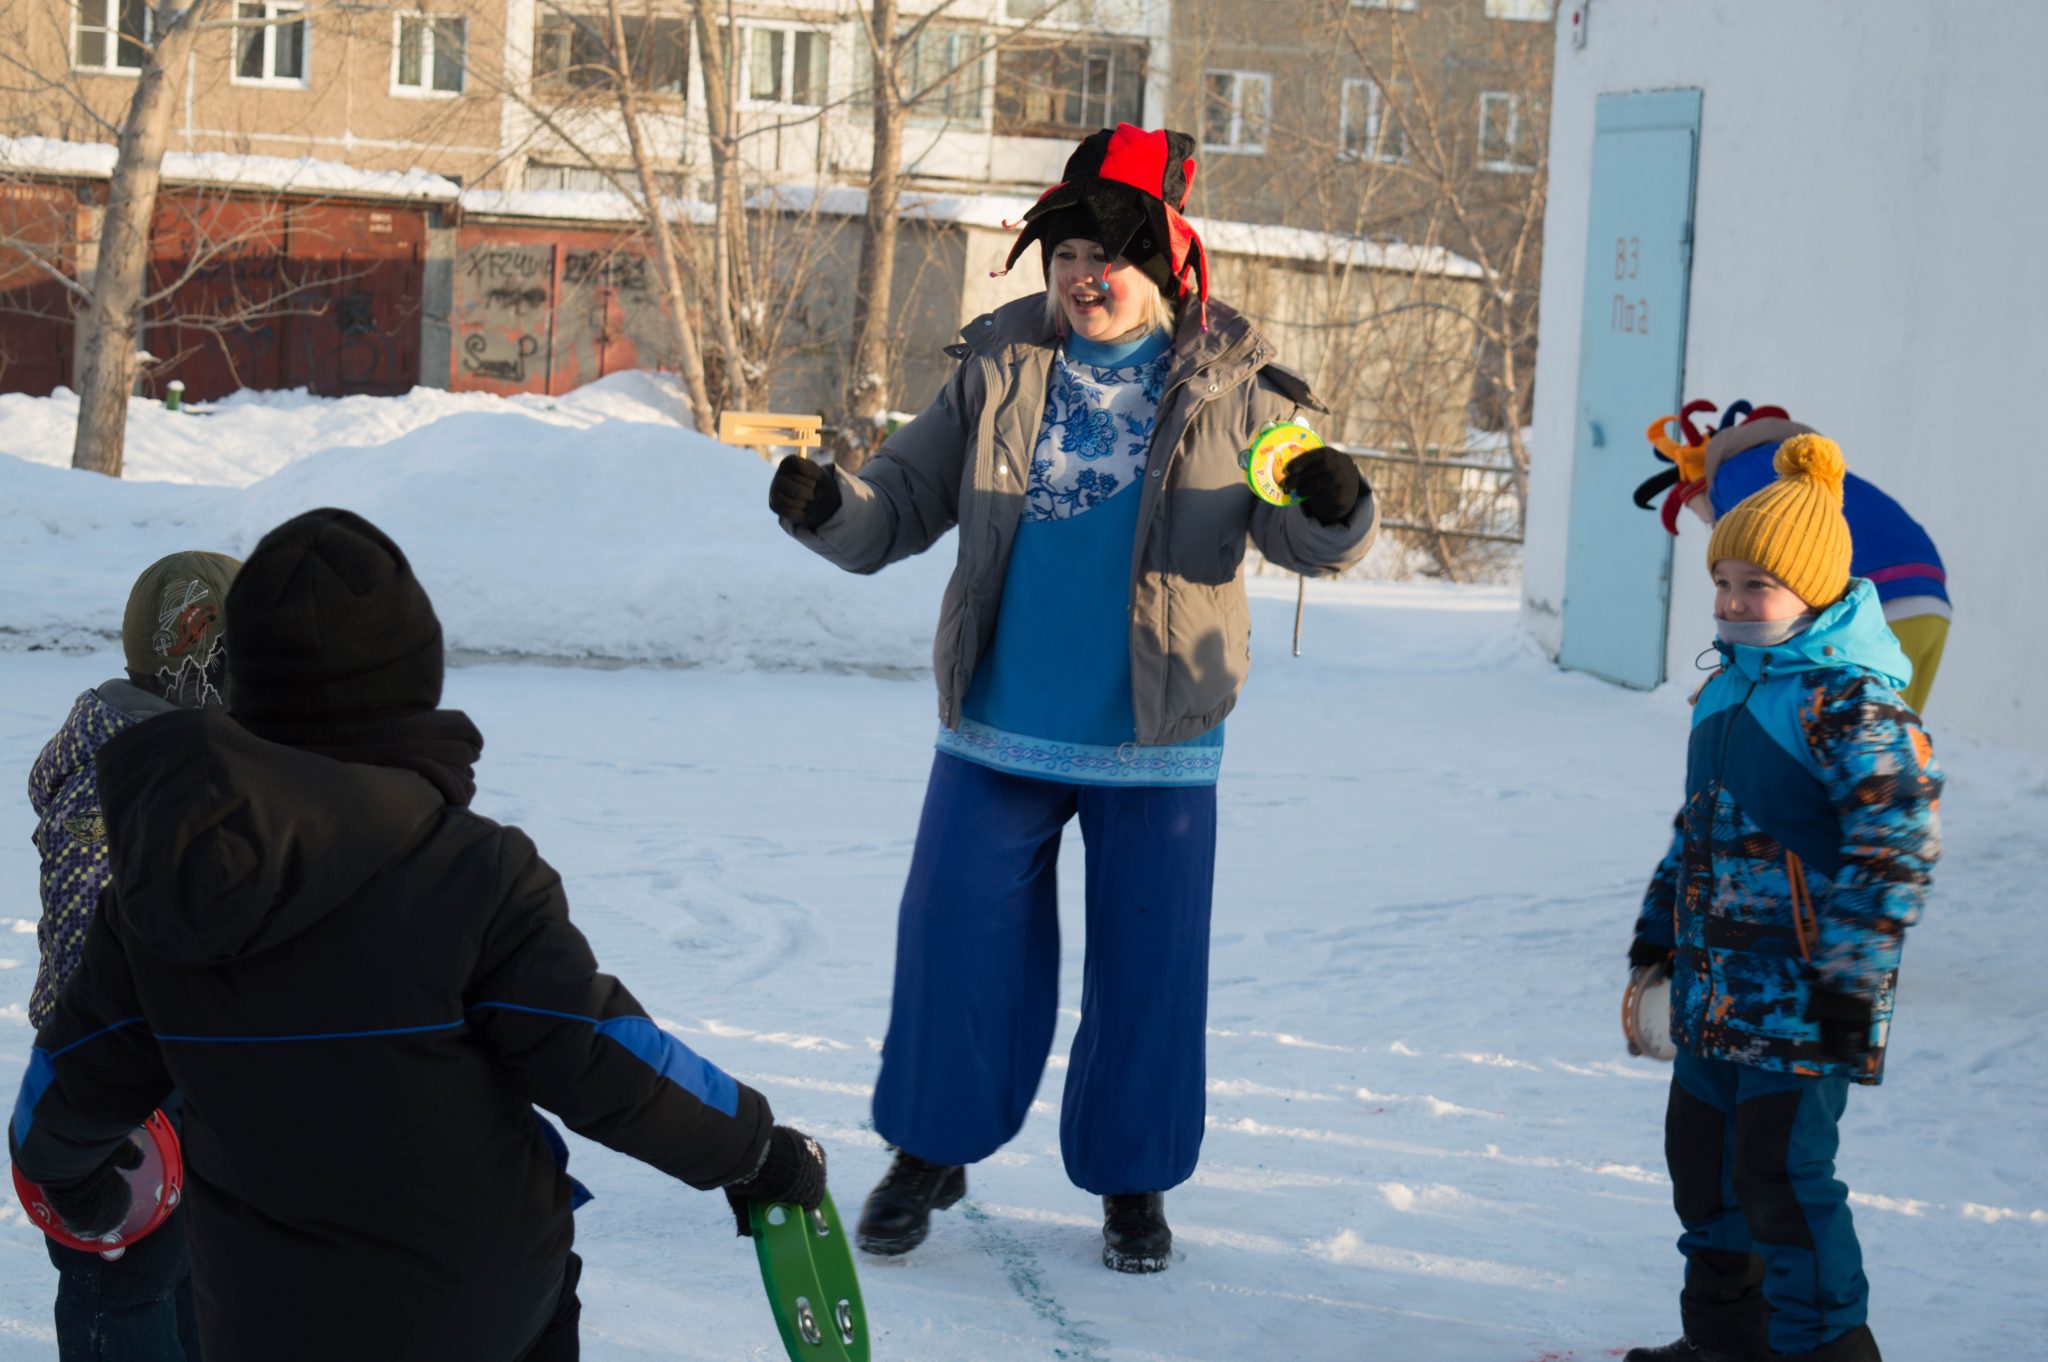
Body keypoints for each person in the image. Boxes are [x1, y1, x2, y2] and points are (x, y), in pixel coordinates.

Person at [768, 123, 1378, 1273]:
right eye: (1064, 252)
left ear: (1166, 266)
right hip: (999, 723)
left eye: (1111, 254)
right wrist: (824, 507)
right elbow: (898, 503)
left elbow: (1300, 527)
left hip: (1155, 742)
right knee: (950, 942)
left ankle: (1131, 1183)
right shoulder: (996, 371)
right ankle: (929, 1151)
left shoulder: (1237, 391)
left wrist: (1337, 504)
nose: (1084, 276)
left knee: (1146, 972)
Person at [10, 509, 826, 1362]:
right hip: (475, 1311)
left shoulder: (160, 890)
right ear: (413, 679)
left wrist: (71, 1176)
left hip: (262, 1320)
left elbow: (66, 1081)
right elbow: (603, 1051)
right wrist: (754, 1146)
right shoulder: (474, 873)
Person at [1624, 437, 1942, 1362]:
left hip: (1806, 1002)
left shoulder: (1854, 705)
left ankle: (1827, 1348)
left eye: (1755, 584)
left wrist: (1851, 980)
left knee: (1785, 1181)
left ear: (1814, 591)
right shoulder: (1726, 691)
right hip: (1713, 994)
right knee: (1706, 1174)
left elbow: (1896, 847)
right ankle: (1727, 1340)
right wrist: (1659, 940)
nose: (1730, 602)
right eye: (1721, 581)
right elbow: (1698, 829)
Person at [24, 549, 239, 1361]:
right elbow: (87, 952)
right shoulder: (119, 781)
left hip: (194, 1079)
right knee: (126, 1296)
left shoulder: (192, 755)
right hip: (116, 1105)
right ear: (195, 641)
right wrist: (108, 1119)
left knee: (194, 1284)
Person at [1641, 400, 1950, 711]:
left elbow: (1763, 569)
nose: (1710, 523)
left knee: (1861, 730)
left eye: (1704, 516)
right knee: (1902, 727)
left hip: (1882, 595)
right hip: (1932, 595)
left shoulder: (1734, 478)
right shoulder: (1780, 465)